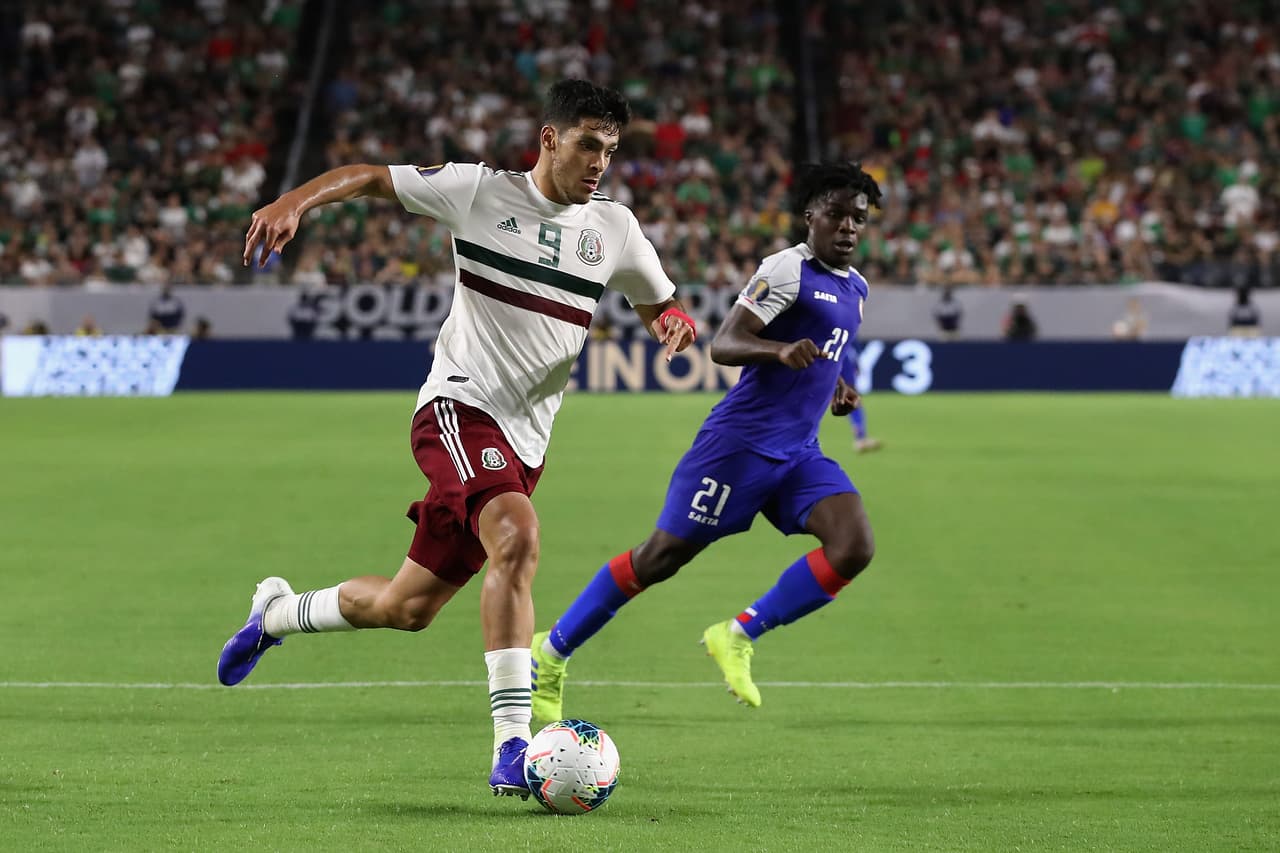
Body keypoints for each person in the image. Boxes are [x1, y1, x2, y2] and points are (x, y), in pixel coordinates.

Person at [216, 80, 696, 798]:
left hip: (525, 444)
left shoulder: (615, 229)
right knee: (519, 537)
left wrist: (670, 324)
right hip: (458, 409)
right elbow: (374, 179)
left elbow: (658, 299)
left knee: (407, 608)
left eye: (611, 148)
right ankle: (514, 747)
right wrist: (294, 202)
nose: (601, 161)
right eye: (590, 143)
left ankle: (276, 612)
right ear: (550, 139)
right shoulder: (478, 192)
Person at [529, 162, 882, 721]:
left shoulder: (856, 288)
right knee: (660, 558)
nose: (847, 228)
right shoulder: (786, 269)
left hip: (797, 454)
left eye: (858, 219)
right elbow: (726, 342)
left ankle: (738, 633)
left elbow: (821, 351)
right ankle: (549, 655)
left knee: (854, 545)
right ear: (809, 216)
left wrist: (835, 385)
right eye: (836, 215)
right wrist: (778, 352)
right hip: (739, 448)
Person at [844, 341, 882, 453]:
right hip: (842, 359)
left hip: (835, 359)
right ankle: (861, 439)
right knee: (852, 398)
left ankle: (861, 438)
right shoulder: (846, 325)